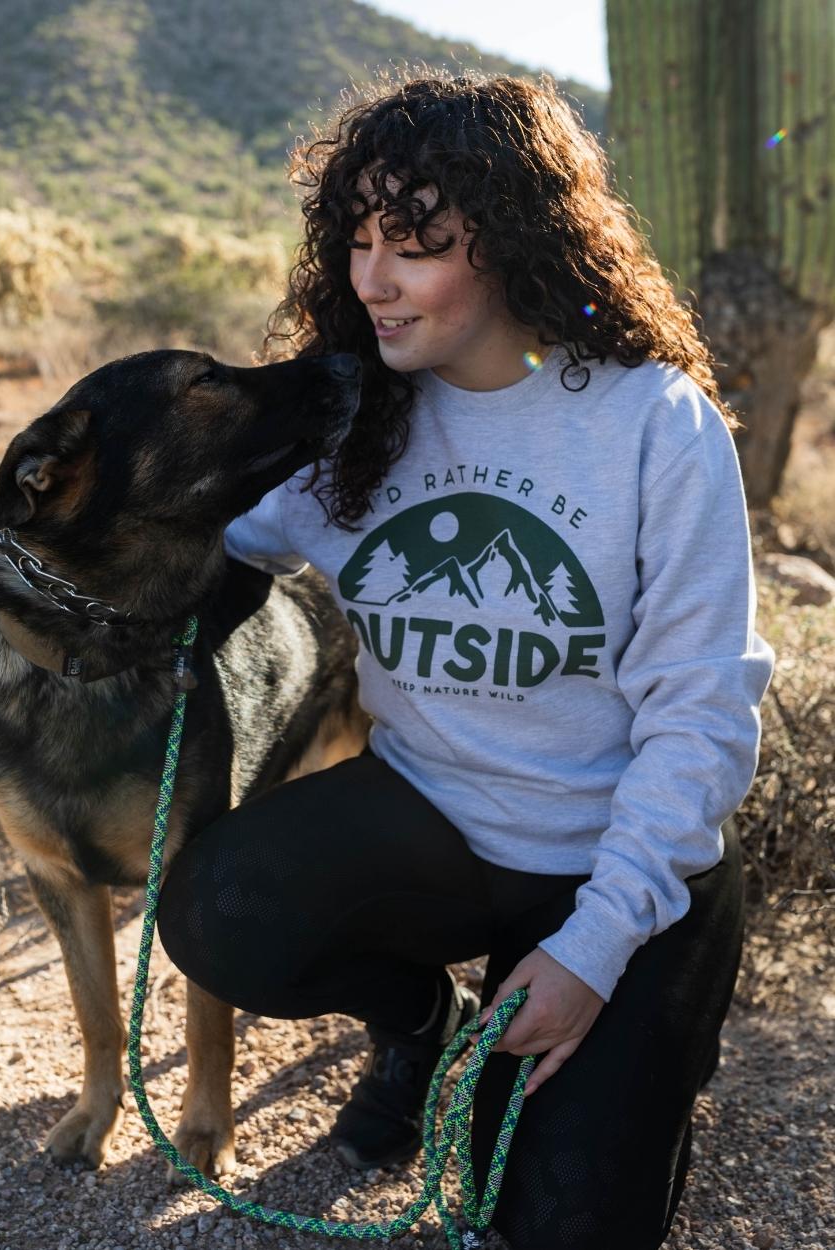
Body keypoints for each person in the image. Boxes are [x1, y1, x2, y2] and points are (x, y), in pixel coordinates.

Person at [157, 71, 774, 1250]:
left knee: (554, 1217)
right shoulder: (350, 420)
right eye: (357, 239)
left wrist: (590, 953)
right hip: (436, 820)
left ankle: (628, 1073)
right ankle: (426, 1025)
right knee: (222, 912)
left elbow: (699, 715)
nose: (371, 280)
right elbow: (164, 547)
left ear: (509, 241)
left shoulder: (652, 421)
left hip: (629, 860)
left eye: (415, 244)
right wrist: (35, 644)